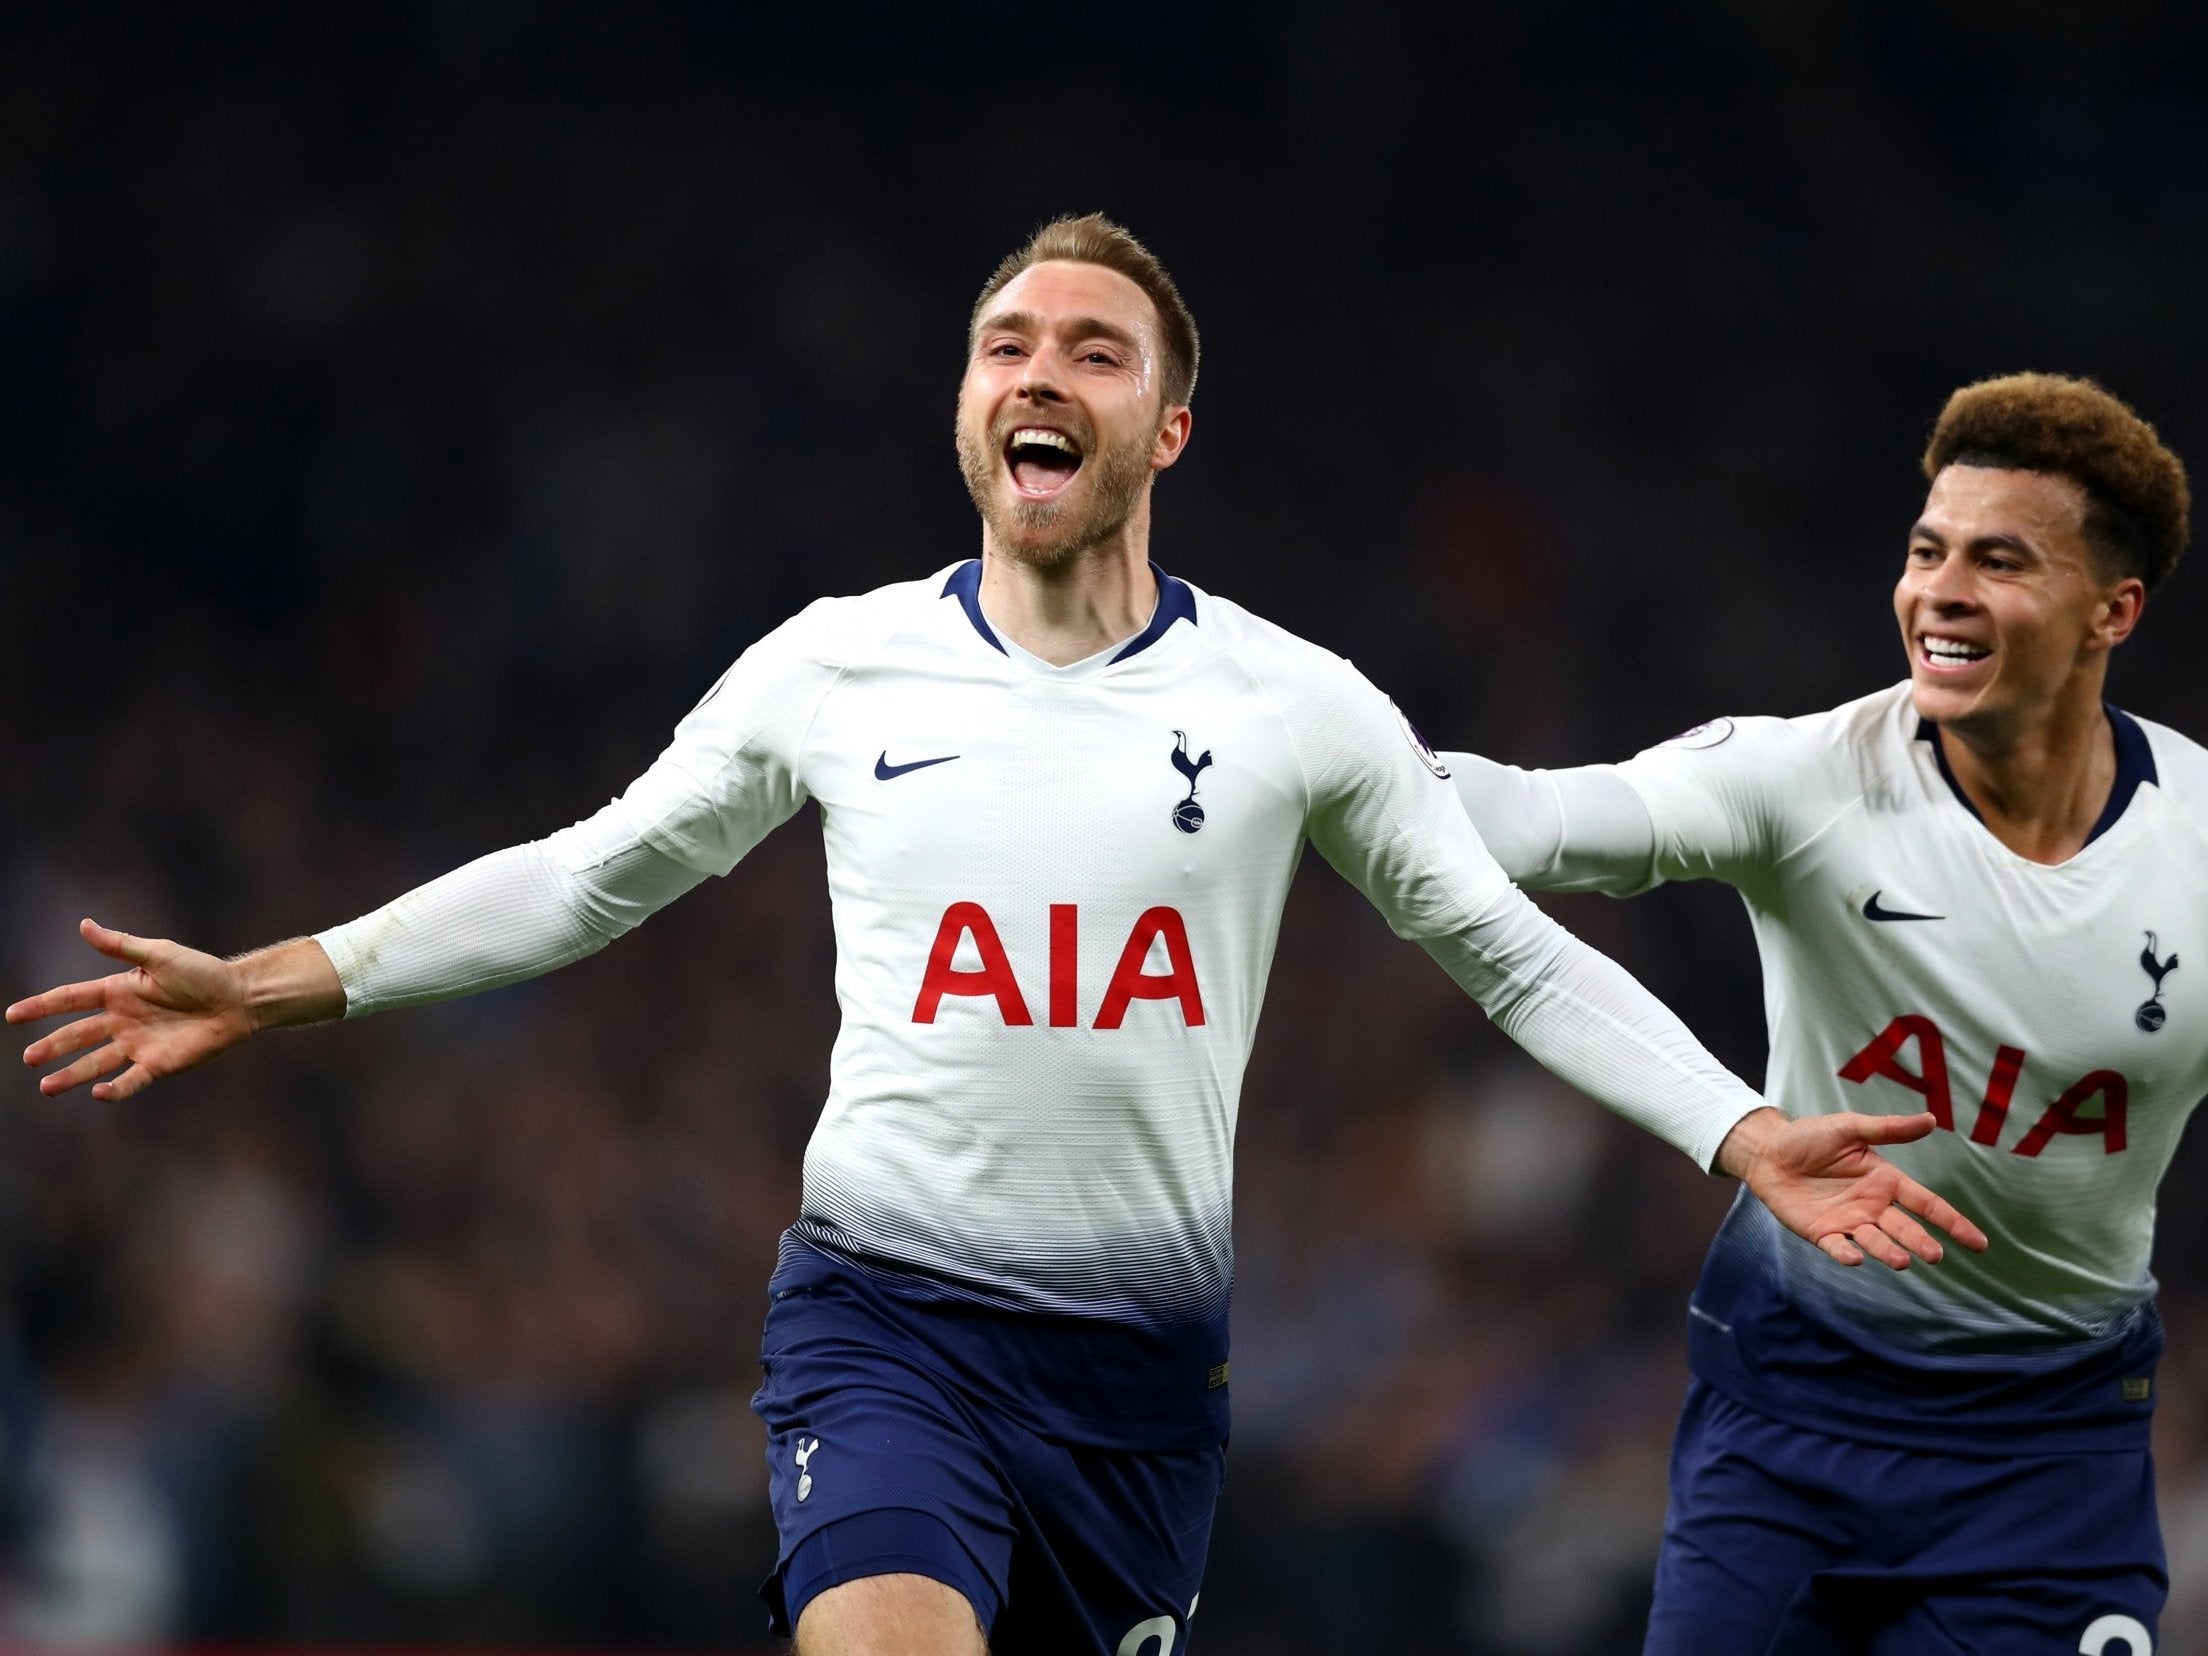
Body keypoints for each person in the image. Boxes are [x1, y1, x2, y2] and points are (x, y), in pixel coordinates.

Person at [7, 215, 1981, 1656]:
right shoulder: (840, 666)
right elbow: (589, 870)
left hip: (1135, 1381)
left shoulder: (1301, 707)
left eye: (1095, 348)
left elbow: (1516, 957)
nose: (1040, 369)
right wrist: (277, 979)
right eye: (1005, 342)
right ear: (968, 407)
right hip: (884, 1322)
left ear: (1169, 430)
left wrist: (1737, 1127)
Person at [1446, 371, 2193, 1655]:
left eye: (2000, 560)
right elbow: (1531, 817)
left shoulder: (2192, 846)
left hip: (2053, 1457)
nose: (1942, 590)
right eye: (1927, 550)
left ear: (2109, 611)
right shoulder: (1806, 782)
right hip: (1796, 1423)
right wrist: (1291, 744)